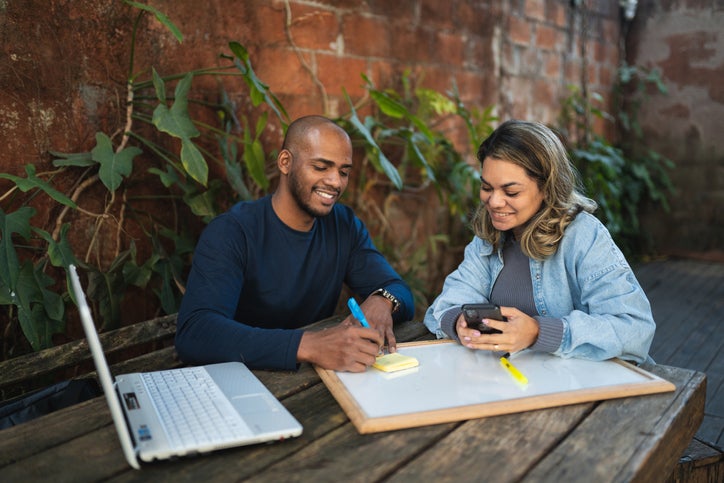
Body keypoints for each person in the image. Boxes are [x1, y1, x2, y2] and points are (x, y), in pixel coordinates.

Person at [176, 115, 414, 372]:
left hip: (315, 380)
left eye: (343, 172)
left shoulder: (343, 226)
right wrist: (310, 346)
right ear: (285, 162)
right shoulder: (233, 231)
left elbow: (399, 290)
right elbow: (196, 333)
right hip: (241, 378)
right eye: (321, 167)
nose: (335, 182)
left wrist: (382, 300)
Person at [423, 119, 655, 364]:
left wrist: (538, 332)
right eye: (486, 187)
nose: (494, 202)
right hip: (514, 384)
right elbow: (446, 305)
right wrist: (458, 322)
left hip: (587, 387)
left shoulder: (584, 236)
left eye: (511, 192)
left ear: (547, 188)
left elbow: (634, 328)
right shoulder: (488, 237)